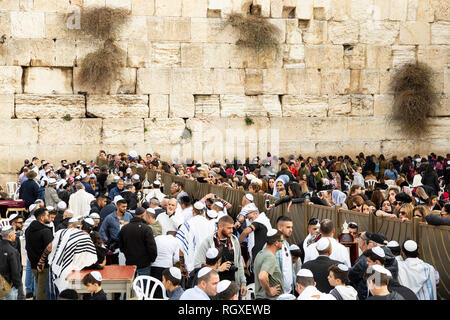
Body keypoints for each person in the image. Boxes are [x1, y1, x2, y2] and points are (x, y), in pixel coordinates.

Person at [194, 216, 247, 297]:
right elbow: (198, 265)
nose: (231, 231)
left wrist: (243, 283)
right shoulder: (208, 242)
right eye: (229, 228)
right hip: (215, 290)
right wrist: (218, 269)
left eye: (232, 228)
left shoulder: (234, 240)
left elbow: (239, 262)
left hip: (233, 288)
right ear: (220, 227)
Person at [47, 218, 98, 298]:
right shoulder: (85, 237)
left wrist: (42, 261)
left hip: (57, 267)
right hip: (76, 271)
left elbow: (49, 247)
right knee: (74, 293)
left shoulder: (60, 233)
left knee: (56, 293)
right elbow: (92, 258)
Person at [176, 201, 216, 274]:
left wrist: (182, 265)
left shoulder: (186, 225)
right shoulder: (210, 225)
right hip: (207, 265)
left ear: (193, 211)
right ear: (203, 211)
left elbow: (180, 246)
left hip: (191, 265)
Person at [118, 207, 157, 277]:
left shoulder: (124, 228)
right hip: (144, 264)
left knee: (131, 286)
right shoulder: (146, 229)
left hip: (130, 262)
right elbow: (152, 247)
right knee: (144, 286)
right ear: (142, 215)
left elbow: (121, 246)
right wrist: (152, 259)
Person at [25, 207, 54, 300]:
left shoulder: (28, 229)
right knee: (43, 292)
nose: (50, 217)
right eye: (48, 216)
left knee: (39, 289)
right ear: (41, 218)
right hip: (43, 266)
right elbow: (50, 248)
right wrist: (42, 261)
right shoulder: (45, 231)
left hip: (33, 265)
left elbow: (27, 247)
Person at [253, 229, 284, 300]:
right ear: (276, 243)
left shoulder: (260, 253)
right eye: (282, 241)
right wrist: (269, 291)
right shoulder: (270, 257)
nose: (283, 243)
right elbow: (262, 276)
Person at [0, 225, 25, 300]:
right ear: (10, 236)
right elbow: (15, 271)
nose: (15, 235)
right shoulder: (12, 251)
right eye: (14, 234)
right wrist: (19, 286)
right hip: (9, 286)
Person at [275, 216, 295, 294]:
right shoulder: (273, 246)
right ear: (280, 227)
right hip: (279, 293)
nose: (291, 230)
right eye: (288, 227)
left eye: (291, 227)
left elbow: (290, 268)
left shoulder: (286, 244)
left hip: (289, 291)